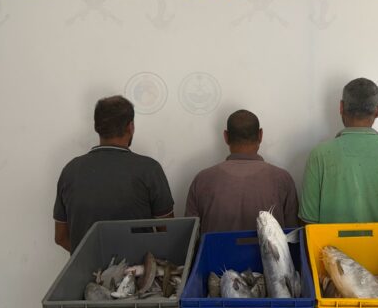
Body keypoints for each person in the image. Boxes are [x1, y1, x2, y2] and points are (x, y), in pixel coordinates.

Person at [53, 96, 175, 253]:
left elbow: (60, 237)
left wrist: (90, 256)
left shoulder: (70, 170)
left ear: (96, 127)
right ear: (130, 127)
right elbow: (168, 233)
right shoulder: (149, 169)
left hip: (85, 268)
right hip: (137, 267)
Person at [299, 78, 378, 224]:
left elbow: (308, 222)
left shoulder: (319, 155)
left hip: (332, 240)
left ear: (341, 107)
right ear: (377, 110)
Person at [185, 110, 298, 233]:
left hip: (216, 247)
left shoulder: (201, 180)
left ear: (226, 137)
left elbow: (191, 236)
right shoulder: (283, 179)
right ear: (260, 135)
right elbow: (293, 235)